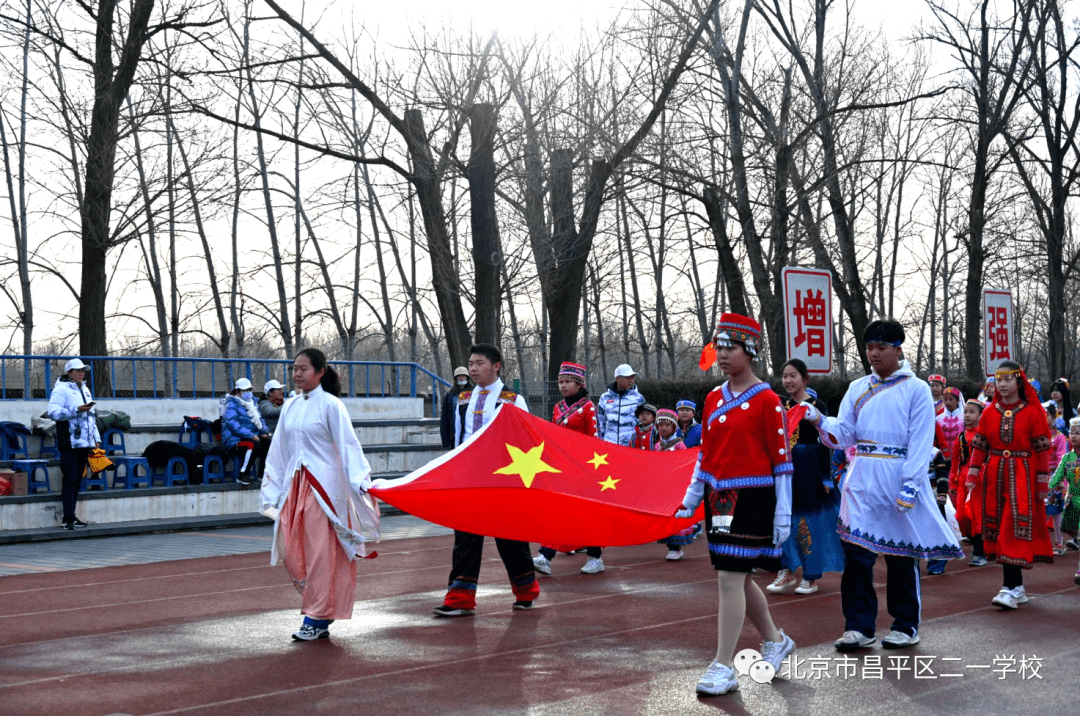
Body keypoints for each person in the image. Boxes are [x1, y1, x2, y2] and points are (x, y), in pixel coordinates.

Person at [802, 319, 963, 652]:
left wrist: (911, 485)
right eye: (869, 348)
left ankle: (905, 624)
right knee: (857, 554)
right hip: (861, 477)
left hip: (899, 476)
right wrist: (819, 420)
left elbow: (920, 441)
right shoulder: (858, 387)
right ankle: (859, 626)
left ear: (898, 349)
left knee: (900, 553)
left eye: (881, 348)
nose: (873, 354)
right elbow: (844, 434)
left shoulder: (916, 389)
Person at [675, 313, 795, 696]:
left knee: (729, 577)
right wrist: (692, 496)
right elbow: (706, 454)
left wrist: (783, 513)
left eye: (731, 347)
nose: (722, 354)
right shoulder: (712, 398)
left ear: (751, 351)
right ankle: (775, 640)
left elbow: (782, 463)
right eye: (719, 347)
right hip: (718, 497)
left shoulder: (767, 401)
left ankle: (723, 665)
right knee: (738, 576)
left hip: (754, 496)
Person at [261, 347, 378, 641]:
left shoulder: (331, 405)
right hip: (295, 485)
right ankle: (319, 606)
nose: (297, 374)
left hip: (323, 490)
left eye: (303, 369)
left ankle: (317, 616)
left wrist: (361, 481)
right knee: (290, 548)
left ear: (320, 372)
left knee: (320, 554)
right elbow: (279, 449)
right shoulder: (290, 405)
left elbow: (348, 445)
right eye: (294, 369)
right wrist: (272, 487)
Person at [434, 343, 540, 617]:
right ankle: (460, 599)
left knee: (510, 539)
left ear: (496, 366)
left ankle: (526, 590)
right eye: (470, 364)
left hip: (503, 480)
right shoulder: (463, 398)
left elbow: (526, 439)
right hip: (470, 477)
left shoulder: (512, 399)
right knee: (465, 538)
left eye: (479, 363)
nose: (472, 368)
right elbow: (459, 438)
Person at [966, 360, 1055, 610]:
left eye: (1007, 379)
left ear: (1019, 382)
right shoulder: (990, 413)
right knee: (997, 526)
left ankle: (1010, 587)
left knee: (1013, 526)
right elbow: (980, 445)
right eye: (998, 380)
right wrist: (973, 473)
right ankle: (1017, 587)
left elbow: (1041, 449)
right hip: (995, 475)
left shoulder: (1032, 412)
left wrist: (1042, 480)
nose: (1002, 385)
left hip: (1022, 475)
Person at [768, 359, 844, 595]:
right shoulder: (781, 406)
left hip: (809, 469)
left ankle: (810, 575)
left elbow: (826, 443)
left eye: (793, 376)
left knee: (806, 520)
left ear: (804, 378)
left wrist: (826, 476)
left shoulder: (816, 405)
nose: (788, 381)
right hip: (785, 470)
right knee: (782, 516)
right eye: (784, 376)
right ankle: (787, 568)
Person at [533, 361, 604, 576]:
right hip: (563, 468)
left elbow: (595, 439)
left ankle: (595, 556)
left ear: (579, 384)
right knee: (559, 510)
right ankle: (545, 556)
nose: (563, 386)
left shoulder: (588, 407)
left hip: (583, 468)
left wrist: (592, 469)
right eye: (560, 382)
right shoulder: (557, 408)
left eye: (567, 382)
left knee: (586, 514)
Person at [47, 358, 100, 530]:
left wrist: (96, 437)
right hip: (69, 441)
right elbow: (53, 413)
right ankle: (67, 518)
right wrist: (76, 410)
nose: (81, 373)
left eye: (83, 370)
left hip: (84, 441)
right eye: (78, 370)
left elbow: (91, 416)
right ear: (69, 372)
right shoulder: (61, 389)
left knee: (77, 479)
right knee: (70, 478)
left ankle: (72, 516)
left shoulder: (84, 389)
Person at [949, 398, 987, 566]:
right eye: (965, 412)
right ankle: (976, 542)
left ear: (981, 415)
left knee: (977, 514)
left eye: (972, 412)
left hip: (981, 478)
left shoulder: (986, 436)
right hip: (964, 479)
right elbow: (956, 461)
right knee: (962, 515)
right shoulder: (961, 437)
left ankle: (980, 552)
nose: (967, 415)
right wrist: (953, 483)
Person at [654, 409, 695, 561]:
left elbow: (684, 466)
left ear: (673, 427)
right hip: (662, 487)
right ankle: (670, 546)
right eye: (661, 425)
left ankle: (676, 548)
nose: (663, 428)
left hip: (675, 488)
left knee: (675, 517)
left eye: (667, 425)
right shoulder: (658, 445)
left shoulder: (679, 445)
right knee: (665, 517)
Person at [1048, 417, 1080, 583]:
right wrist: (1050, 486)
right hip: (1073, 501)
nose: (1074, 436)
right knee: (1076, 535)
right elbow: (1058, 475)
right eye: (1072, 433)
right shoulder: (1067, 458)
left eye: (1078, 433)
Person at [222, 377, 271, 485]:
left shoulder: (253, 403)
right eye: (246, 390)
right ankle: (242, 474)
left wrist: (264, 431)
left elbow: (260, 419)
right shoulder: (231, 404)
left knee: (267, 442)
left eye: (250, 390)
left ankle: (261, 475)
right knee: (252, 444)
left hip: (251, 436)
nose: (249, 393)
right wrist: (251, 435)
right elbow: (232, 423)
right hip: (234, 440)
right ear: (238, 392)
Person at [597, 364, 645, 447]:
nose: (631, 380)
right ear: (618, 378)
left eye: (632, 377)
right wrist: (601, 443)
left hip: (630, 447)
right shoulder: (604, 398)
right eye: (627, 377)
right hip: (609, 446)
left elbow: (643, 424)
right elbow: (600, 423)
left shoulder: (638, 398)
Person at [440, 367, 471, 449]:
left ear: (467, 377)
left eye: (463, 375)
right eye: (459, 376)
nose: (461, 377)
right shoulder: (450, 395)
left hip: (470, 434)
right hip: (455, 435)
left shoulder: (473, 393)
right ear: (455, 378)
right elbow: (445, 417)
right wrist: (445, 439)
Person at [937, 387, 964, 461]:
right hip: (943, 457)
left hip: (960, 456)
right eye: (945, 399)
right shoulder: (938, 419)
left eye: (951, 399)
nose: (948, 402)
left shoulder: (964, 418)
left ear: (957, 400)